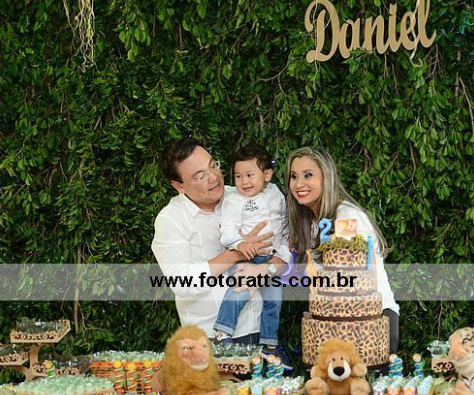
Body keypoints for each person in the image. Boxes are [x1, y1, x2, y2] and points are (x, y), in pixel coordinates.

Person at [152, 138, 280, 344]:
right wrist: (237, 252)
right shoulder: (171, 220)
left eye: (213, 165)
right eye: (200, 176)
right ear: (179, 185)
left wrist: (266, 268)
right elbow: (182, 282)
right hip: (208, 338)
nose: (213, 177)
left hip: (256, 328)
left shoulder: (242, 196)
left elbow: (280, 248)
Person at [286, 147, 399, 353]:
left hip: (368, 322)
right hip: (333, 323)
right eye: (294, 176)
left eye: (308, 175)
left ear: (326, 178)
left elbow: (355, 278)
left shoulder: (346, 217)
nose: (299, 183)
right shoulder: (311, 223)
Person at [214, 146, 290, 357]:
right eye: (238, 176)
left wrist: (281, 252)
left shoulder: (275, 194)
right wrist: (240, 244)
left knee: (274, 299)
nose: (243, 182)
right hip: (246, 257)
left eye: (249, 175)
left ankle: (269, 342)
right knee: (240, 291)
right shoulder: (234, 200)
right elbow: (227, 230)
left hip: (269, 258)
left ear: (267, 175)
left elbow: (283, 224)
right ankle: (222, 332)